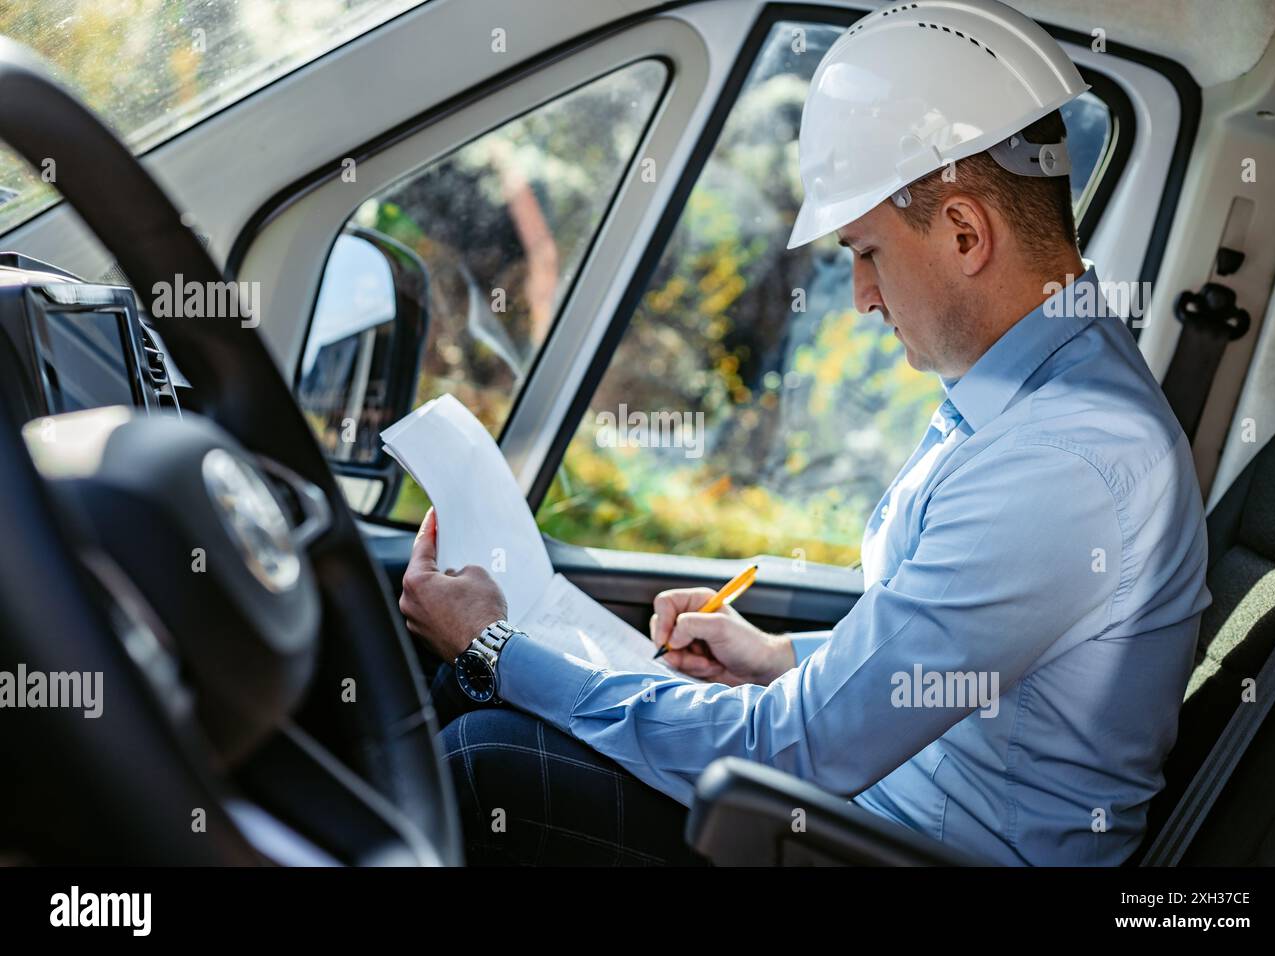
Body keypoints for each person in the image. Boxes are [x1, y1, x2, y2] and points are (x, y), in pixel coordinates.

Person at [400, 0, 1211, 866]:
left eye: (867, 251)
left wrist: (497, 647)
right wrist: (779, 655)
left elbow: (790, 751)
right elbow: (955, 646)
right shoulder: (1037, 391)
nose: (861, 296)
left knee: (488, 758)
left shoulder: (1062, 460)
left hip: (910, 849)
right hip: (884, 804)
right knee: (487, 707)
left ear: (967, 232)